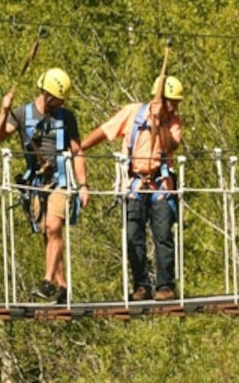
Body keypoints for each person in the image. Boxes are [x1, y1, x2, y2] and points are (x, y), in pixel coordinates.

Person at [78, 72, 186, 300]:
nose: (174, 108)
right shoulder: (133, 113)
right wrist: (79, 148)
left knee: (163, 235)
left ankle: (165, 286)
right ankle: (141, 285)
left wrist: (160, 123)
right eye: (172, 104)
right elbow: (105, 131)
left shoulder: (174, 122)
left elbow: (171, 145)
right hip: (135, 183)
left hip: (160, 185)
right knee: (133, 235)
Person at [0, 66, 86, 303]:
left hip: (60, 180)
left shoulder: (66, 118)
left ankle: (47, 282)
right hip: (36, 181)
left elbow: (77, 152)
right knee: (48, 233)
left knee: (54, 226)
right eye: (57, 101)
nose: (59, 105)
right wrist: (4, 111)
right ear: (46, 95)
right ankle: (62, 287)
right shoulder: (23, 114)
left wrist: (83, 185)